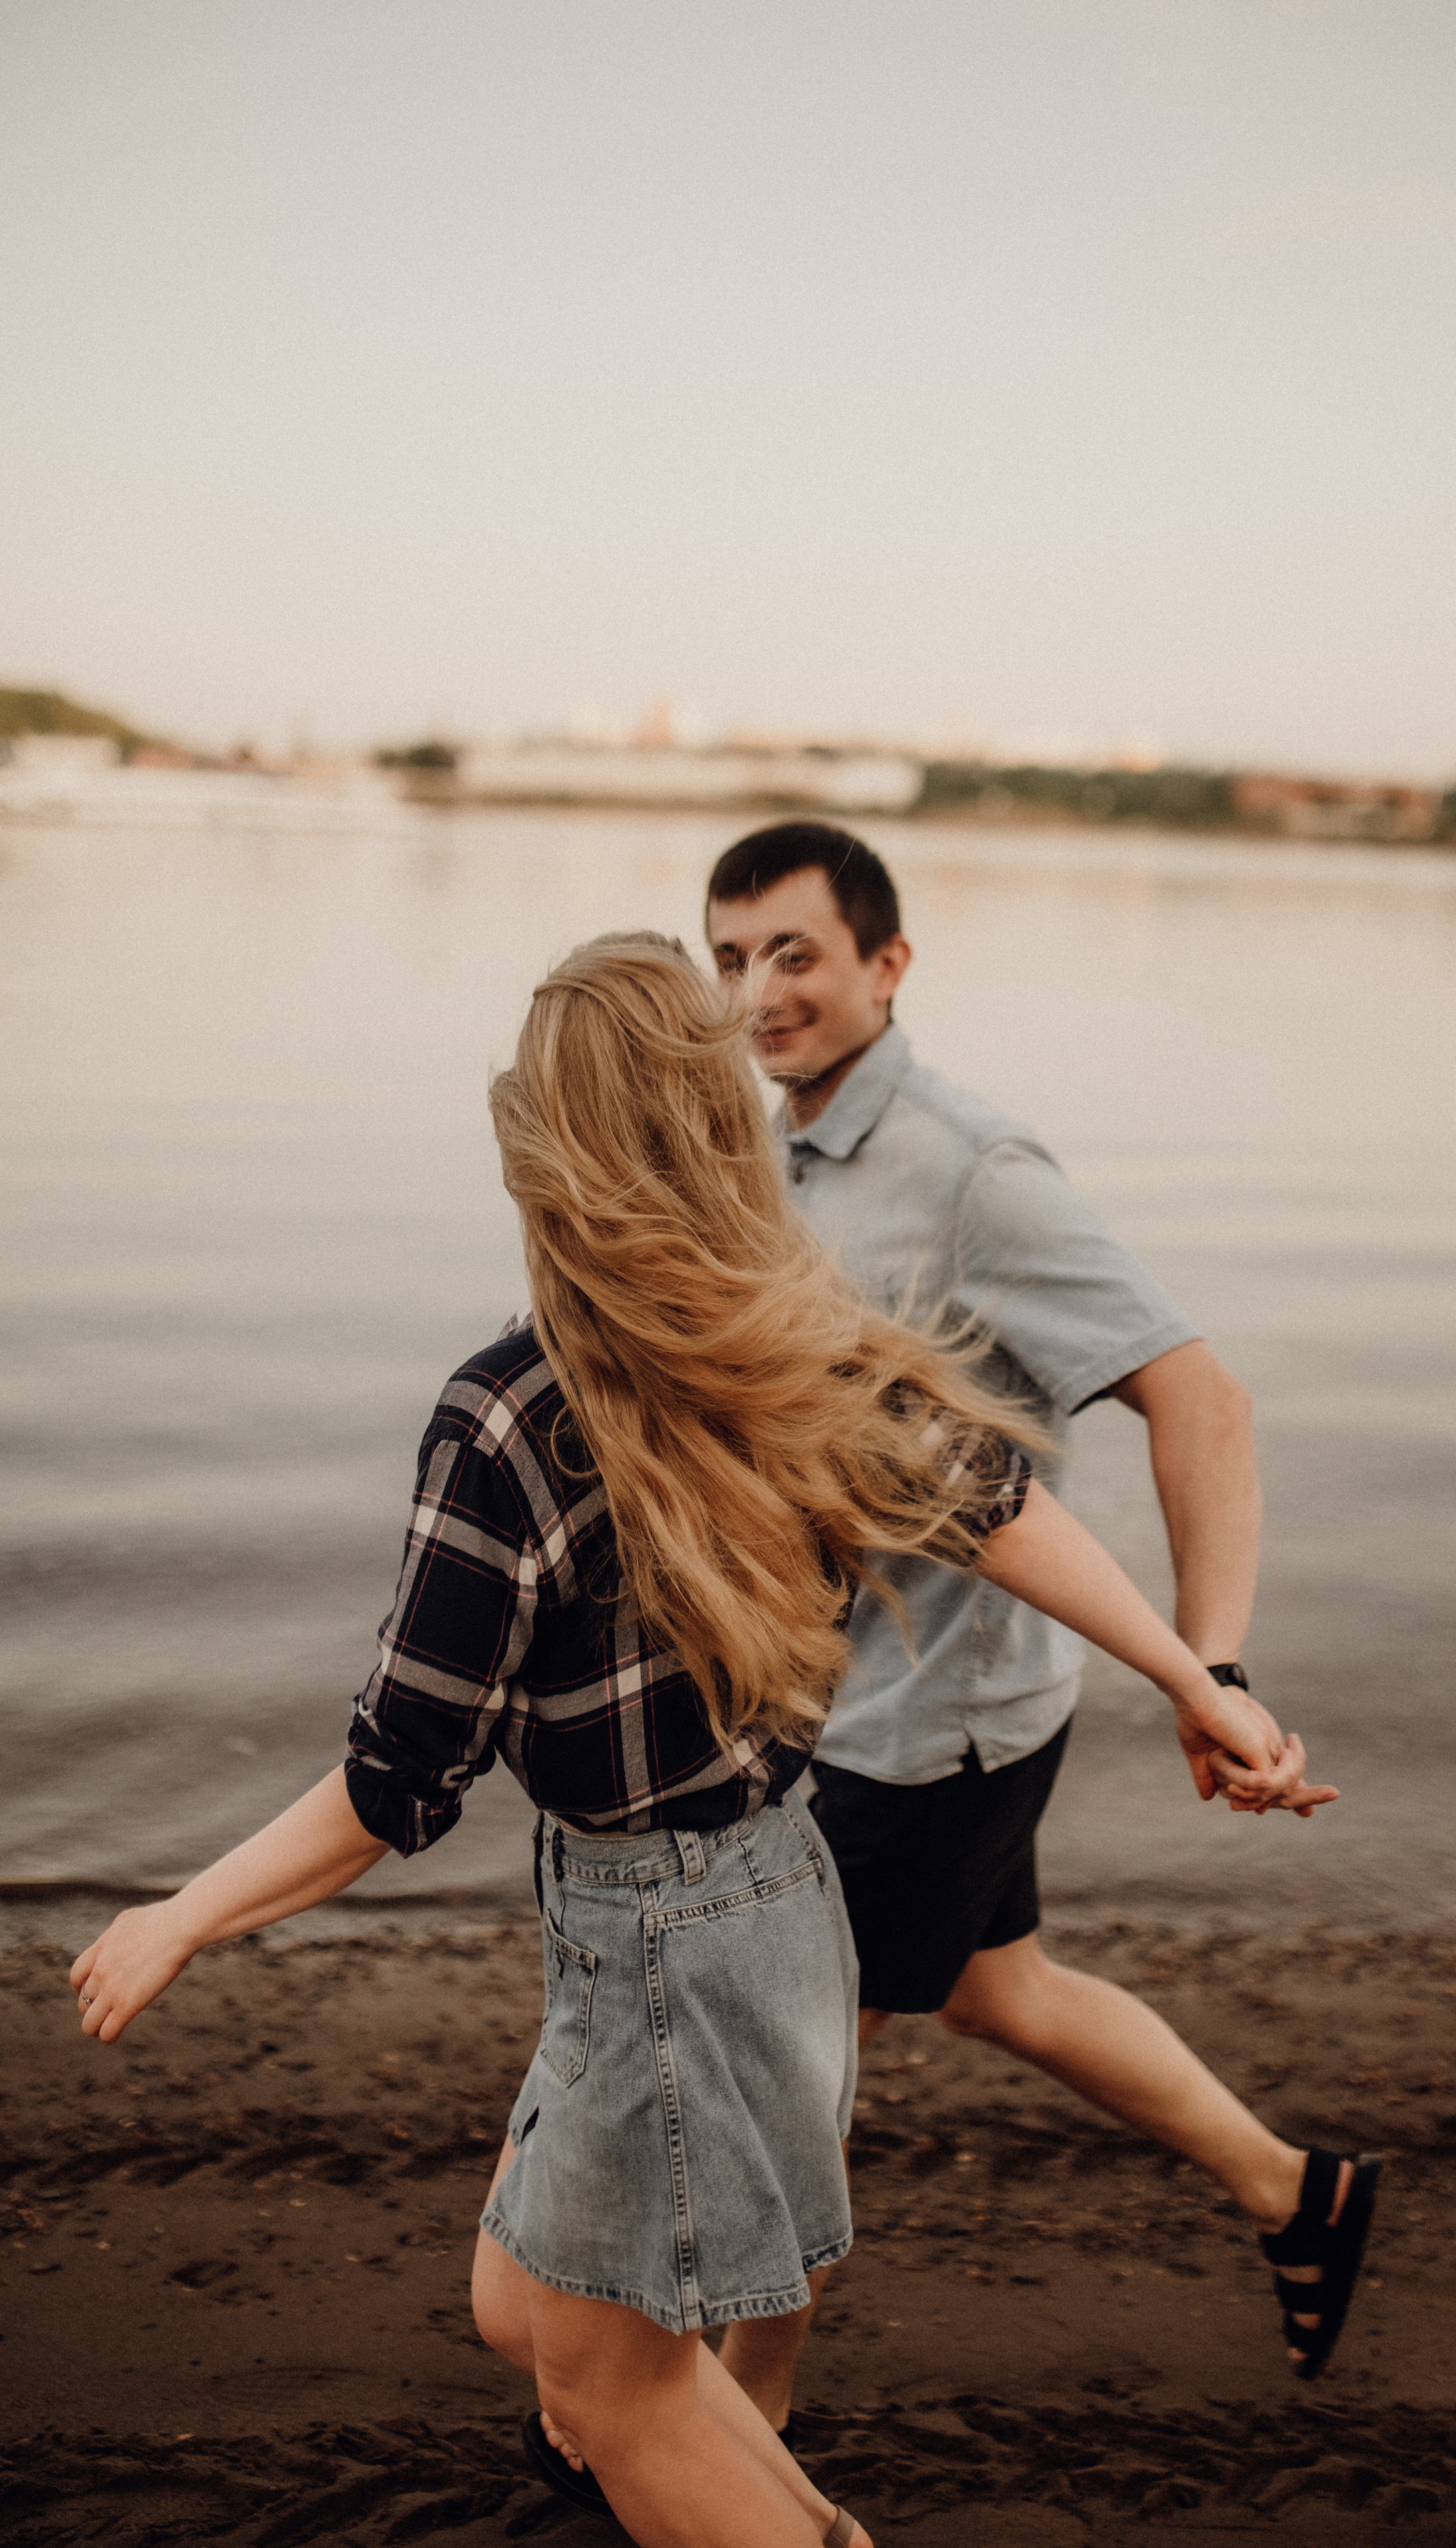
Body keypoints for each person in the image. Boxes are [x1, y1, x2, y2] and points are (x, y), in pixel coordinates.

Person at [69, 935, 1330, 2548]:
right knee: (521, 2310)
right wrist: (1192, 1673)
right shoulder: (795, 1343)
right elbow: (998, 1510)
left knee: (614, 2391)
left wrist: (181, 1913)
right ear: (721, 1129)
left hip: (666, 1947)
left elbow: (397, 1788)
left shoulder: (509, 1422)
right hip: (777, 1904)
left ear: (543, 1154)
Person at [703, 825, 1380, 2430]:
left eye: (792, 954)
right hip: (858, 1697)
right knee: (997, 1987)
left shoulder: (970, 1170)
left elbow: (1195, 1392)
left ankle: (742, 2424)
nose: (757, 992)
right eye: (728, 958)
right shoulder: (776, 1151)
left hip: (923, 1728)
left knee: (796, 2068)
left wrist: (1207, 1666)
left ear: (886, 966)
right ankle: (1294, 2193)